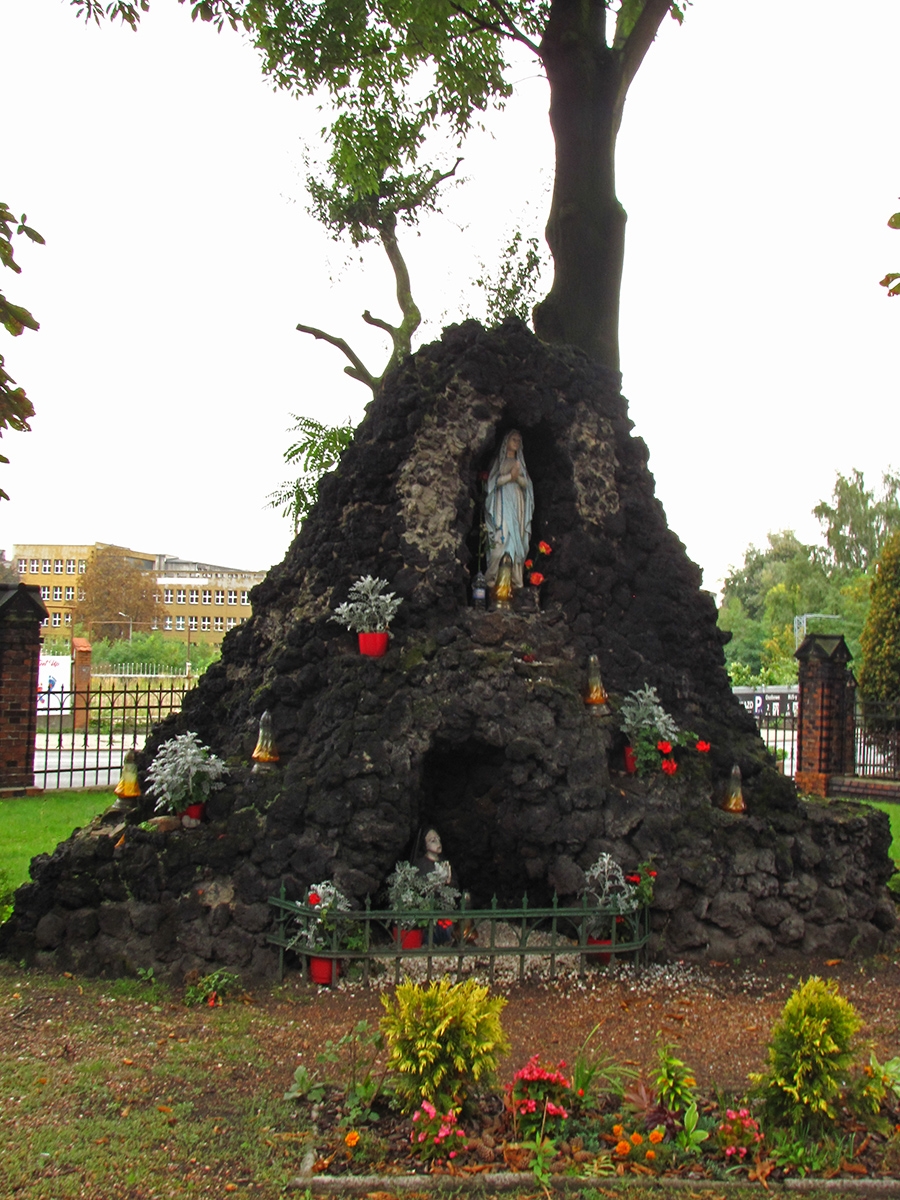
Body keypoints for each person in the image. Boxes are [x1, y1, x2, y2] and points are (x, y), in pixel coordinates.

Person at [484, 429, 534, 588]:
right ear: (506, 441)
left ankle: (515, 580)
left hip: (517, 503)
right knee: (501, 539)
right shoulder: (499, 462)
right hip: (502, 502)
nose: (516, 443)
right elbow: (493, 483)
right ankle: (492, 578)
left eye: (519, 440)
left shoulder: (520, 464)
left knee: (516, 540)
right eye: (514, 439)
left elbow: (527, 485)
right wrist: (509, 477)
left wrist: (517, 478)